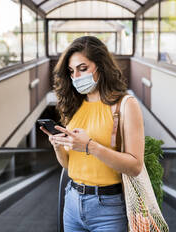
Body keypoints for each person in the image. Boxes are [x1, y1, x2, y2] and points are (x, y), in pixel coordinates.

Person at [40, 36, 145, 232]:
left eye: (83, 68)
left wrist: (90, 146)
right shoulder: (75, 106)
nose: (76, 77)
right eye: (71, 71)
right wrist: (58, 146)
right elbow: (70, 165)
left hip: (109, 208)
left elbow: (135, 166)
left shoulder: (125, 105)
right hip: (71, 200)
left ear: (101, 66)